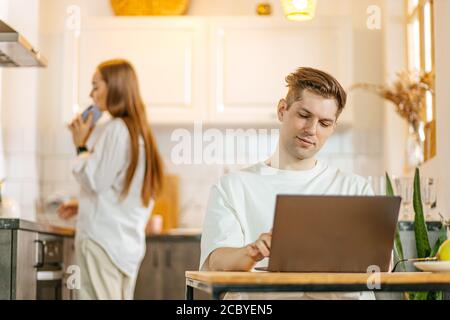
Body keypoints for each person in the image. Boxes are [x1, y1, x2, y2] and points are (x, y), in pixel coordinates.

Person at [200, 67, 375, 300]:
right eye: (304, 115)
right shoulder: (232, 187)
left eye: (324, 123)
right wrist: (252, 252)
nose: (311, 130)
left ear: (333, 127)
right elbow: (215, 261)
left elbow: (376, 267)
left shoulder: (356, 190)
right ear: (282, 110)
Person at [58, 59, 164, 300]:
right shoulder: (140, 132)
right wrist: (81, 205)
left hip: (102, 243)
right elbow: (118, 189)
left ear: (114, 87)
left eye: (96, 85)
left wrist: (81, 146)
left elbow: (94, 180)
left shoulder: (117, 129)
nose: (91, 93)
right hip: (124, 247)